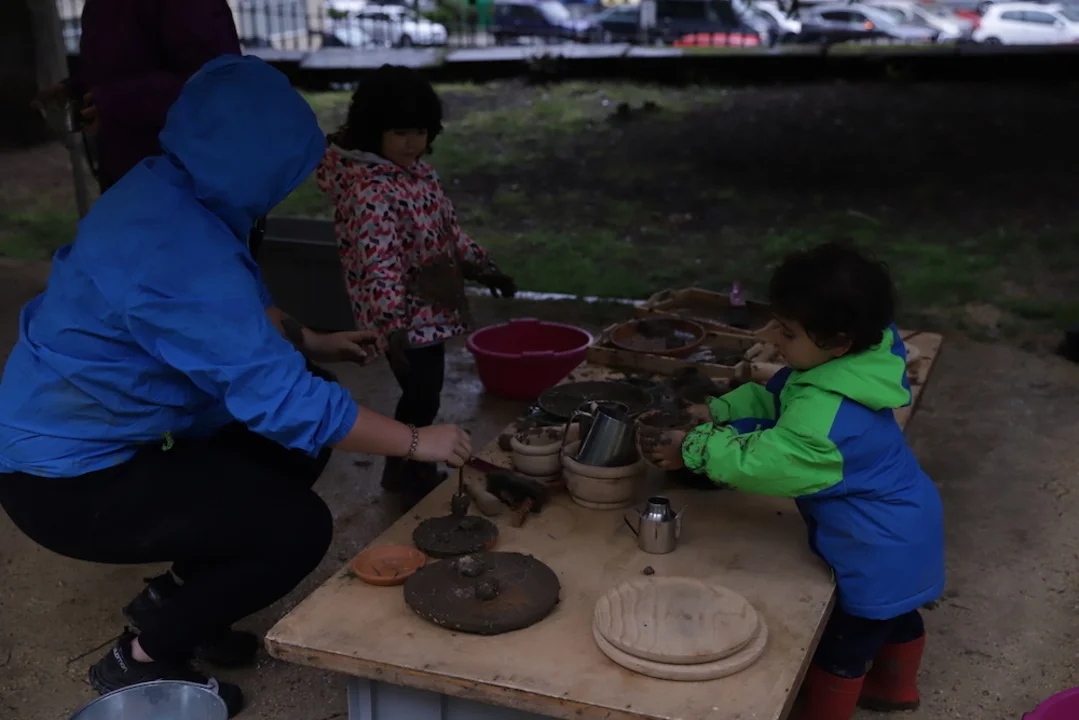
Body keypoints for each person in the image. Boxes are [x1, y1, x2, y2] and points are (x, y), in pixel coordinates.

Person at [0, 55, 472, 718]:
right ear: (259, 165)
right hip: (70, 482)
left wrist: (311, 340)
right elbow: (281, 397)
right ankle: (141, 657)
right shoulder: (176, 248)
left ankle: (180, 599)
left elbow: (228, 318)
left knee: (294, 428)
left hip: (105, 434)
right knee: (294, 528)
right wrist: (418, 440)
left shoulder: (170, 187)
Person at [651, 242, 945, 720]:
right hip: (906, 526)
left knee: (844, 645)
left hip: (875, 546)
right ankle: (895, 689)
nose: (772, 338)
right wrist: (718, 411)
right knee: (897, 615)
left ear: (838, 341)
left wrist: (693, 447)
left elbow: (768, 461)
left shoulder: (827, 419)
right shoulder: (854, 363)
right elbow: (785, 401)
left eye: (786, 332)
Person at [317, 65, 516, 501]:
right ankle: (406, 469)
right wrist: (393, 327)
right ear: (373, 131)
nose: (412, 143)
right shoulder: (369, 189)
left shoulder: (420, 174)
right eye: (400, 133)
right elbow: (379, 262)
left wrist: (483, 266)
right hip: (404, 320)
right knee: (421, 396)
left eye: (420, 132)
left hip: (428, 308)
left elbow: (448, 233)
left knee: (424, 393)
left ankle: (409, 466)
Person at [73, 0, 243, 193]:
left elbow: (215, 82)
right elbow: (118, 64)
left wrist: (113, 104)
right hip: (129, 174)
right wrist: (78, 90)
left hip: (186, 178)